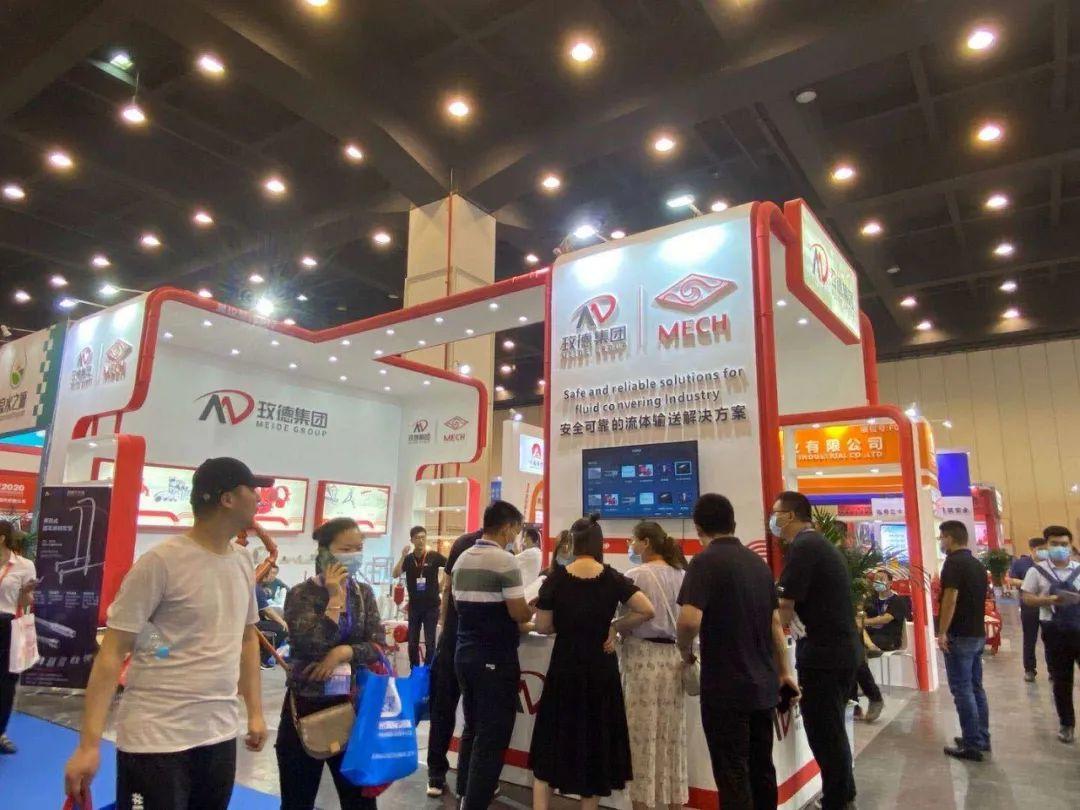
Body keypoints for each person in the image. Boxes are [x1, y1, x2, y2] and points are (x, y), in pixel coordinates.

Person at [64, 457, 270, 810]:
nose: (259, 498)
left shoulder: (241, 561)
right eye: (253, 490)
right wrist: (88, 746)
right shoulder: (160, 563)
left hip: (219, 733)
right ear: (227, 499)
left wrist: (254, 711)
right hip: (155, 738)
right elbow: (112, 651)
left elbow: (248, 638)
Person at [679, 495, 800, 810]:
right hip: (763, 686)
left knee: (732, 773)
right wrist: (784, 672)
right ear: (732, 523)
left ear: (698, 527)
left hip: (725, 689)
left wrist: (683, 649)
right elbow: (775, 623)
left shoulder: (704, 562)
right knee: (762, 769)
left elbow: (689, 620)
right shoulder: (757, 564)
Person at [530, 516, 654, 809]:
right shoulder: (612, 578)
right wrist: (615, 625)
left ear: (572, 544)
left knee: (551, 745)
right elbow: (646, 609)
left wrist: (564, 623)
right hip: (601, 669)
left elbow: (543, 626)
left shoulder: (555, 579)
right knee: (596, 745)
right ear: (600, 544)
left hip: (565, 667)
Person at [276, 518, 384, 808]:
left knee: (359, 802)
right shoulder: (301, 594)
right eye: (345, 549)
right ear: (324, 552)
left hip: (353, 707)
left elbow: (377, 646)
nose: (354, 555)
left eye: (358, 548)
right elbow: (311, 645)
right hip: (306, 707)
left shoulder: (363, 593)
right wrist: (335, 600)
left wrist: (343, 652)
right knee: (297, 799)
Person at [773, 491, 858, 810]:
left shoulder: (804, 547)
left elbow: (785, 604)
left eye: (776, 513)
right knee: (833, 728)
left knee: (824, 732)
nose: (773, 520)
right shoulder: (819, 544)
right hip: (838, 652)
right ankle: (844, 791)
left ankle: (836, 799)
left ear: (790, 516)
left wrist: (772, 631)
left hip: (824, 656)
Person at [451, 500, 533, 810]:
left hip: (464, 654)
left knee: (472, 727)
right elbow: (518, 613)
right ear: (508, 527)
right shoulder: (504, 561)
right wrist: (530, 610)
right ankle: (476, 802)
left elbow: (460, 606)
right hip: (494, 658)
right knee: (492, 735)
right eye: (517, 529)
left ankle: (463, 793)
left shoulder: (462, 559)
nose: (516, 536)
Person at [619, 521, 689, 810]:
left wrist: (615, 627)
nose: (630, 545)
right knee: (671, 737)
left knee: (641, 737)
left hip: (642, 660)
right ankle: (674, 803)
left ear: (646, 542)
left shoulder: (635, 575)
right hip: (674, 659)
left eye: (633, 540)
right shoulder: (682, 575)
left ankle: (642, 804)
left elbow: (624, 618)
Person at [425, 526, 483, 798]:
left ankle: (439, 775)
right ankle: (463, 780)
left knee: (445, 709)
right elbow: (447, 588)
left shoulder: (463, 543)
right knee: (468, 714)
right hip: (473, 643)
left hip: (454, 639)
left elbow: (446, 589)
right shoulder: (494, 550)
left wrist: (445, 627)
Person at [937, 520, 992, 761]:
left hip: (960, 635)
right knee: (976, 687)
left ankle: (971, 744)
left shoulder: (953, 563)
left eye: (941, 537)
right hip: (977, 634)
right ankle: (981, 737)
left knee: (962, 690)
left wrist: (942, 631)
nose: (941, 542)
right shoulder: (977, 564)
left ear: (949, 538)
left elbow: (950, 598)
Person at [1021, 525, 1080, 744]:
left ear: (1070, 545)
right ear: (1046, 545)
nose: (1060, 548)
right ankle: (1067, 724)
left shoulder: (1079, 569)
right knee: (1062, 680)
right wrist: (1049, 600)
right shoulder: (1036, 571)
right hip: (1055, 631)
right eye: (1055, 544)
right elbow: (1027, 598)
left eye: (1064, 544)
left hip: (1079, 628)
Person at [851, 569, 910, 723]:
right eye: (876, 579)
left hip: (889, 639)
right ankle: (854, 703)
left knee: (855, 656)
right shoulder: (870, 601)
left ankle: (867, 697)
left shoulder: (897, 601)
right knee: (851, 654)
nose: (878, 582)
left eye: (882, 579)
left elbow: (885, 619)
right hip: (869, 638)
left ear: (890, 582)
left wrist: (864, 622)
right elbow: (858, 620)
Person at [0, 520, 35, 755]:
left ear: (2, 538)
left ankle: (0, 732)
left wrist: (25, 592)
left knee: (6, 683)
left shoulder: (24, 565)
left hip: (9, 626)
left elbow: (25, 603)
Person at [392, 526, 445, 668]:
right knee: (412, 642)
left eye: (423, 537)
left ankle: (428, 670)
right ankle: (414, 669)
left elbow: (450, 566)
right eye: (417, 538)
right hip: (415, 606)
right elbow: (395, 574)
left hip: (431, 606)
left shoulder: (433, 556)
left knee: (430, 642)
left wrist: (442, 583)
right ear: (412, 540)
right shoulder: (408, 559)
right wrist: (403, 556)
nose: (421, 540)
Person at [1007, 537, 1048, 682]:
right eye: (1040, 549)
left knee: (1050, 639)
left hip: (1047, 606)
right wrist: (1029, 582)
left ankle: (1053, 669)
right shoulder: (1021, 563)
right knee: (1029, 638)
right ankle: (1030, 669)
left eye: (1045, 549)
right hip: (1029, 607)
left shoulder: (1049, 563)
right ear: (1032, 549)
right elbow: (1011, 580)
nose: (1043, 552)